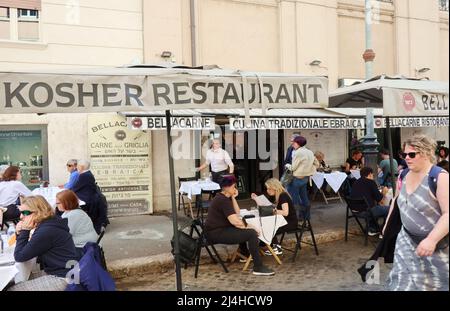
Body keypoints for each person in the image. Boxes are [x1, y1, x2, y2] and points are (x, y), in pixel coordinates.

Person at [386, 135, 449, 291]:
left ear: (426, 153)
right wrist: (387, 224)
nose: (407, 158)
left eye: (412, 154)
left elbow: (448, 214)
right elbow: (396, 199)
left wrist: (431, 240)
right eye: (404, 154)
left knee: (436, 285)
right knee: (401, 282)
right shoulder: (403, 175)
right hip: (406, 240)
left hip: (437, 247)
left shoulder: (439, 178)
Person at [204, 175, 274, 276]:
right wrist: (251, 226)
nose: (235, 189)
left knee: (243, 229)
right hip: (215, 233)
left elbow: (237, 213)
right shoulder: (222, 200)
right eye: (233, 187)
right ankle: (258, 267)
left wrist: (233, 197)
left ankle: (244, 254)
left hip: (217, 230)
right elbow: (235, 221)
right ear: (227, 188)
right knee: (251, 234)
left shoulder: (224, 197)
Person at [8, 195, 79, 291]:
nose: (21, 216)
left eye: (25, 213)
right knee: (16, 279)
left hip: (64, 277)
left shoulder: (46, 230)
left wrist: (25, 230)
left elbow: (20, 256)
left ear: (39, 212)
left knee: (13, 289)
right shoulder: (50, 222)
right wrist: (19, 233)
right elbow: (27, 250)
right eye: (20, 212)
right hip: (66, 271)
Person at [251, 178, 298, 256]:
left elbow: (285, 213)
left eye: (269, 189)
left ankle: (276, 248)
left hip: (290, 222)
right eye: (267, 189)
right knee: (266, 226)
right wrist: (257, 199)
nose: (267, 191)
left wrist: (272, 211)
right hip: (282, 220)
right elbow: (268, 206)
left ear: (275, 188)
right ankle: (263, 245)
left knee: (269, 228)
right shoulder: (275, 196)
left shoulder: (283, 196)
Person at [285, 136, 319, 220]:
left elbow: (293, 168)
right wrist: (309, 171)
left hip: (296, 179)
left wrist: (286, 165)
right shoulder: (310, 152)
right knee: (304, 198)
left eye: (294, 143)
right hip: (305, 178)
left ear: (299, 143)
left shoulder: (298, 152)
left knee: (294, 200)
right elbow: (317, 164)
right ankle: (306, 217)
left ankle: (295, 219)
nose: (293, 145)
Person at [56, 190, 98, 256]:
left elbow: (65, 235)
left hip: (85, 247)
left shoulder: (73, 215)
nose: (56, 205)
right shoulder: (70, 212)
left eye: (58, 203)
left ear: (66, 203)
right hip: (83, 244)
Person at [350, 167, 389, 235]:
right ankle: (383, 231)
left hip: (355, 211)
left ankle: (372, 228)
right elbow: (379, 198)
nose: (373, 176)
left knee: (375, 206)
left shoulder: (356, 182)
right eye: (373, 175)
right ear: (370, 174)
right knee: (390, 209)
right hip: (366, 211)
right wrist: (384, 192)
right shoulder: (371, 182)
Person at [72, 159, 108, 234]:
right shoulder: (86, 174)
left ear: (81, 167)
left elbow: (75, 188)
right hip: (90, 196)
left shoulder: (84, 176)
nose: (76, 168)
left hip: (88, 199)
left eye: (77, 166)